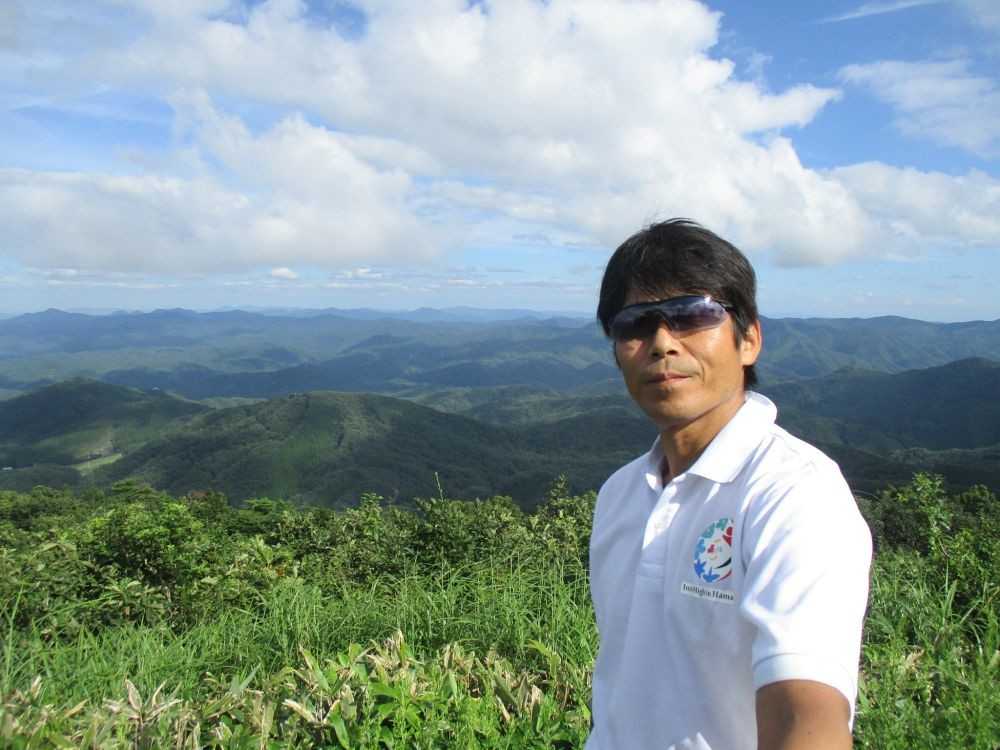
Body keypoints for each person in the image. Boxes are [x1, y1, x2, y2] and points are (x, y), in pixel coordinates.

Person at [587, 219, 872, 750]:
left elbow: (806, 715)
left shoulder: (793, 494)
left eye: (692, 315)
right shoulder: (620, 495)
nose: (662, 343)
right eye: (636, 324)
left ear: (749, 340)